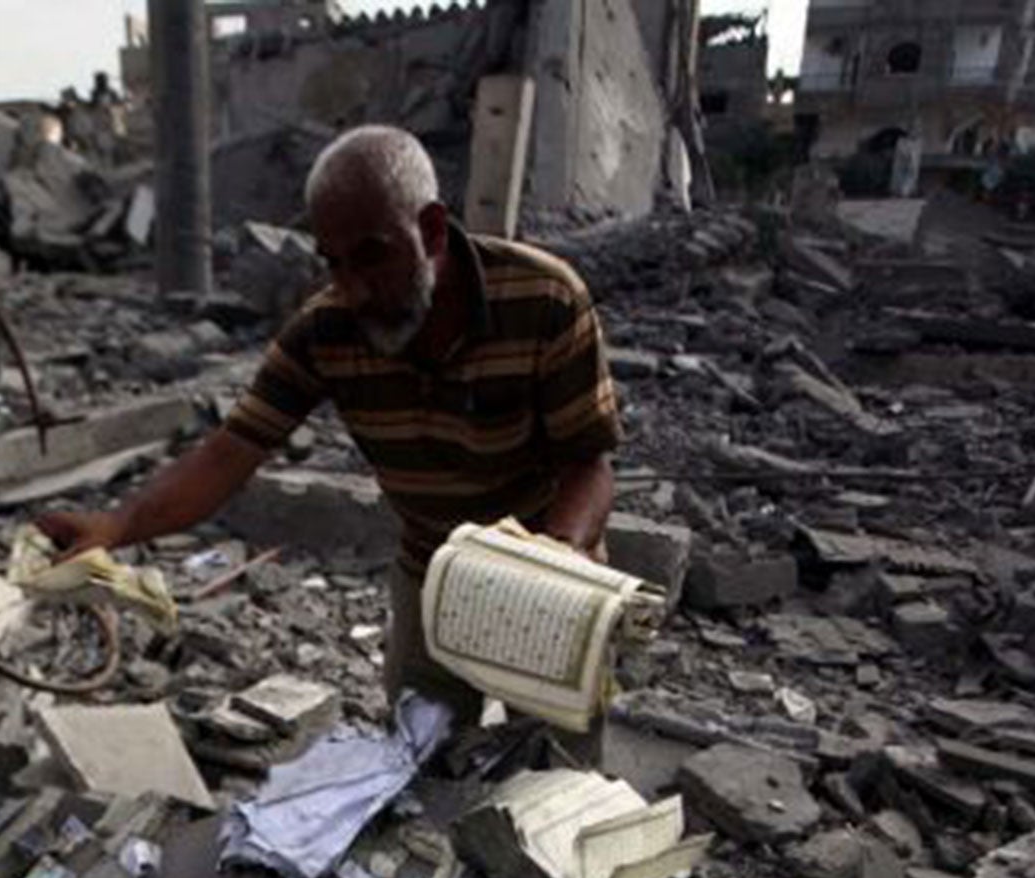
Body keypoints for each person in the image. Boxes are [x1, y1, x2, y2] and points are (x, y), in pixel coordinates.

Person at [37, 124, 621, 732]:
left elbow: (590, 463)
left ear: (431, 231)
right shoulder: (326, 330)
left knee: (554, 771)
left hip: (548, 573)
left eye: (372, 255)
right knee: (418, 752)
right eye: (333, 263)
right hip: (432, 572)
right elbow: (230, 452)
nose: (354, 289)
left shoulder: (544, 297)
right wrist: (117, 526)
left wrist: (554, 560)